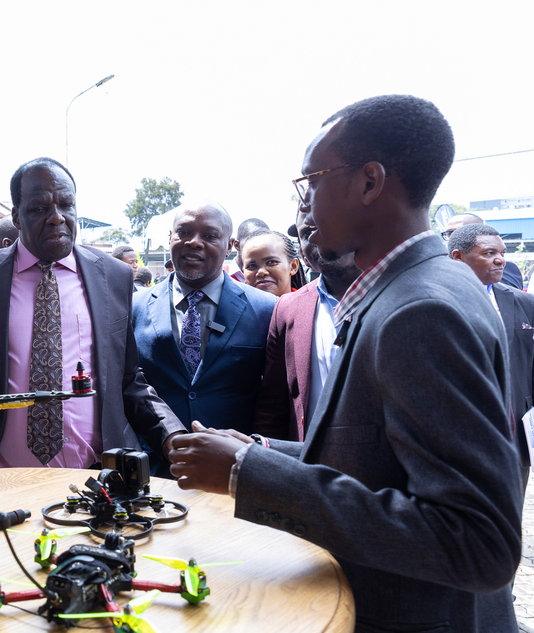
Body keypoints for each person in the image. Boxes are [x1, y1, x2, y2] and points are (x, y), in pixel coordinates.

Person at [168, 94, 521, 632]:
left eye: (311, 181)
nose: (303, 203)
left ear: (370, 182)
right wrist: (262, 450)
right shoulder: (413, 289)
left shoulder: (421, 310)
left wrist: (248, 473)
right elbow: (376, 455)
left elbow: (477, 541)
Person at [0, 157, 184, 470]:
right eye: (40, 208)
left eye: (66, 205)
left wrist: (170, 434)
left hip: (96, 478)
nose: (57, 218)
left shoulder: (114, 276)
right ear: (16, 215)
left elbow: (127, 378)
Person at [131, 203, 276, 459]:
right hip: (157, 468)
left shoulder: (266, 310)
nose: (194, 243)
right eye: (184, 232)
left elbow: (276, 399)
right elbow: (128, 383)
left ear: (231, 246)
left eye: (209, 236)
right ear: (170, 238)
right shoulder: (133, 307)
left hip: (237, 469)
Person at [253, 212, 361, 440]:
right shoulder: (287, 308)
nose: (317, 239)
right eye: (307, 233)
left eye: (328, 226)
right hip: (306, 466)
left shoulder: (396, 295)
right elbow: (273, 405)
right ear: (301, 252)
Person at [448, 223, 534, 491]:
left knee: (509, 518)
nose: (500, 259)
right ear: (458, 257)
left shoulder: (523, 303)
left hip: (515, 435)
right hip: (457, 437)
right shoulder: (434, 302)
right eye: (488, 253)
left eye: (502, 252)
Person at [442, 212, 524, 290]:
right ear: (457, 256)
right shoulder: (438, 276)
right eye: (450, 233)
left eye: (467, 231)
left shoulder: (508, 271)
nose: (457, 236)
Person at [238, 229, 306, 297]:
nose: (261, 272)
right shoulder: (234, 307)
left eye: (271, 262)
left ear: (293, 266)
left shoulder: (312, 305)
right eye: (251, 266)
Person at [231, 217, 269, 283]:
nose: (260, 247)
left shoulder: (271, 276)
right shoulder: (219, 275)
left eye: (265, 242)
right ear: (237, 245)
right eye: (253, 241)